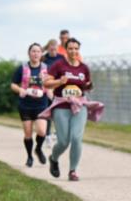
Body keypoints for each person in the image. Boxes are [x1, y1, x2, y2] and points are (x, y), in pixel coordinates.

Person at [40, 38, 104, 181]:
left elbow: (85, 85)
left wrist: (89, 86)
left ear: (78, 50)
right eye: (70, 48)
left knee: (76, 138)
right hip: (61, 105)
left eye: (76, 48)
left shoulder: (84, 68)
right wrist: (59, 81)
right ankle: (54, 158)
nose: (73, 51)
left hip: (79, 105)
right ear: (66, 49)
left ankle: (72, 171)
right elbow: (46, 83)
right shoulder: (58, 65)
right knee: (63, 141)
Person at [11, 43, 51, 167]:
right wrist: (20, 90)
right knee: (28, 133)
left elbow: (50, 84)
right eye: (33, 51)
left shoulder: (46, 68)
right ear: (29, 53)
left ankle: (38, 149)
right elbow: (13, 84)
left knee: (42, 131)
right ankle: (29, 157)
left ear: (41, 54)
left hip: (41, 104)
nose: (35, 54)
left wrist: (51, 93)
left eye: (38, 51)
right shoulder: (22, 68)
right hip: (25, 105)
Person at [42, 38, 63, 142]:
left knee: (58, 111)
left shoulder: (61, 58)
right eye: (51, 49)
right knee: (49, 110)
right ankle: (47, 134)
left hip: (59, 86)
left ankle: (57, 132)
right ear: (48, 48)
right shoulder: (44, 58)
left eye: (55, 49)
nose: (53, 51)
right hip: (47, 86)